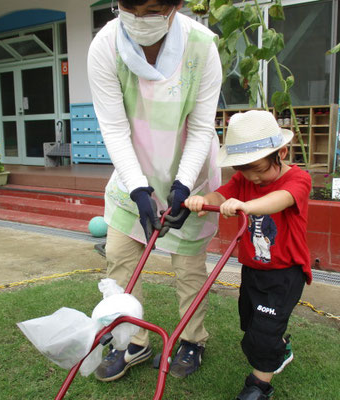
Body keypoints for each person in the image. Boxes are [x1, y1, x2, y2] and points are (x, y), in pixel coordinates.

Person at [87, 0, 222, 381]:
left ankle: (192, 339)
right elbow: (113, 128)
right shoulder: (104, 47)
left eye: (150, 9)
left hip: (189, 174)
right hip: (134, 175)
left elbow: (200, 128)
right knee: (118, 256)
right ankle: (133, 340)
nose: (138, 18)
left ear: (176, 5)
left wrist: (181, 186)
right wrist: (138, 189)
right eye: (128, 6)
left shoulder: (202, 47)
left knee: (189, 269)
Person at [185, 110, 312, 400]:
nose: (252, 177)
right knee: (251, 323)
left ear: (281, 152)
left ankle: (258, 385)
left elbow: (279, 200)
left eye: (257, 168)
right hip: (253, 269)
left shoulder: (299, 179)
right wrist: (203, 201)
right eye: (243, 170)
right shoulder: (245, 181)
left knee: (263, 332)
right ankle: (279, 344)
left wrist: (247, 206)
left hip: (286, 272)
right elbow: (219, 195)